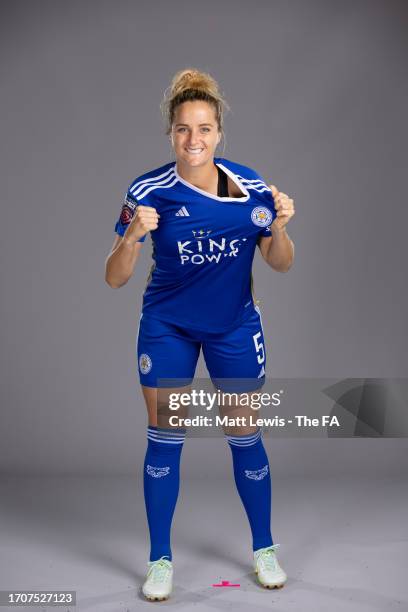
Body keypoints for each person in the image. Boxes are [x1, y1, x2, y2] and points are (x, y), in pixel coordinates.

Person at [105, 68, 295, 602]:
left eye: (205, 128)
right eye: (184, 129)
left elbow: (280, 264)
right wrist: (134, 237)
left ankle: (264, 548)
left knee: (244, 435)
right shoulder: (147, 192)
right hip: (168, 327)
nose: (194, 140)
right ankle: (160, 559)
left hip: (234, 326)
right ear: (171, 133)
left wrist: (280, 227)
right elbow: (115, 276)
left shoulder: (252, 187)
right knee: (166, 436)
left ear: (219, 133)